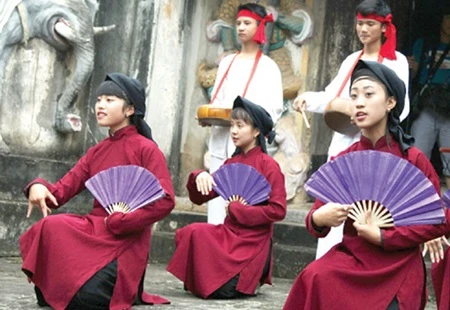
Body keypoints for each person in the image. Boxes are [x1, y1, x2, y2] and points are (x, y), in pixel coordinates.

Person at [284, 60, 450, 310]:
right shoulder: (344, 160)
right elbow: (314, 221)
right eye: (353, 96)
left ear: (390, 102)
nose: (359, 102)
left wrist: (385, 236)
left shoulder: (413, 159)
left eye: (369, 94)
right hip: (351, 260)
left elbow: (439, 221)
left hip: (398, 266)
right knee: (314, 276)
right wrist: (319, 217)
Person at [19, 73, 175, 309]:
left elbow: (166, 200)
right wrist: (38, 186)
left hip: (126, 238)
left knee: (88, 297)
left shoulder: (147, 149)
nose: (100, 105)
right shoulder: (96, 152)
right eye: (99, 99)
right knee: (50, 225)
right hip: (96, 228)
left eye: (110, 100)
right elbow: (60, 192)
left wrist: (125, 221)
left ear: (130, 109)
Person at [293, 0, 410, 259]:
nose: (363, 29)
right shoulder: (351, 60)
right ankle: (328, 261)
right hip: (344, 142)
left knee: (366, 206)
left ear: (383, 28)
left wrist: (363, 112)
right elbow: (331, 95)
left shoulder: (396, 61)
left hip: (376, 146)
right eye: (359, 23)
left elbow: (403, 107)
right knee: (334, 200)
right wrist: (308, 99)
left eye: (370, 23)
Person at [167, 96, 287, 299]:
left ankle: (244, 279)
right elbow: (201, 197)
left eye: (240, 126)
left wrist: (239, 210)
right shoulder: (232, 163)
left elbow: (278, 210)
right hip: (229, 234)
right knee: (194, 232)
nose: (233, 131)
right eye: (232, 125)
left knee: (222, 289)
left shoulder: (269, 166)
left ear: (256, 131)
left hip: (252, 243)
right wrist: (199, 176)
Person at [205, 2, 284, 225]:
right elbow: (217, 99)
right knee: (217, 207)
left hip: (251, 142)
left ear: (260, 27)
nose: (240, 27)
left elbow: (274, 109)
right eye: (238, 23)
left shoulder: (269, 66)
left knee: (243, 206)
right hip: (223, 136)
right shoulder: (227, 62)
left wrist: (249, 121)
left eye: (247, 23)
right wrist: (211, 116)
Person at [409, 9, 450, 189]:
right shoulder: (424, 44)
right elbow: (414, 73)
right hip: (427, 107)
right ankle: (415, 203)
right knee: (417, 158)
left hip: (449, 111)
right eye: (448, 19)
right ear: (441, 20)